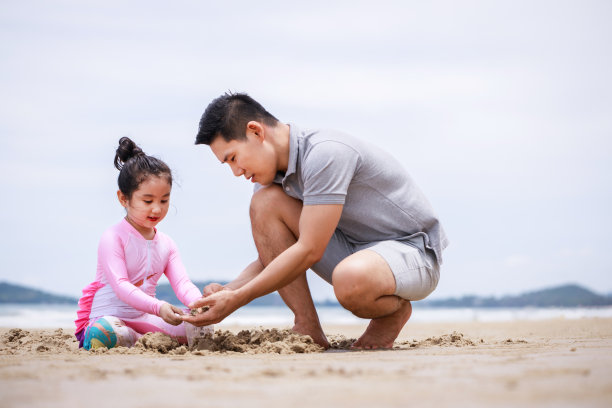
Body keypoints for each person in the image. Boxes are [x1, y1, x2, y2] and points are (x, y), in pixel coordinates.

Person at [183, 92, 448, 349]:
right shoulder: (271, 178)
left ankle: (393, 312)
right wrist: (228, 290)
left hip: (412, 251)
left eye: (233, 157)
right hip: (352, 250)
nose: (236, 171)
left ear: (256, 132)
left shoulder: (325, 153)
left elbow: (309, 249)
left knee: (351, 278)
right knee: (265, 202)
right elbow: (276, 257)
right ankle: (307, 326)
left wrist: (239, 299)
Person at [74, 137, 203, 350]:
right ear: (124, 199)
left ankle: (135, 338)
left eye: (164, 200)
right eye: (147, 200)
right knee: (105, 332)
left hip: (146, 317)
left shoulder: (167, 244)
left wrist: (198, 305)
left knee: (198, 327)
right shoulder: (112, 237)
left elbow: (182, 284)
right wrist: (159, 307)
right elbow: (122, 286)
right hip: (109, 317)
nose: (157, 209)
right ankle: (130, 337)